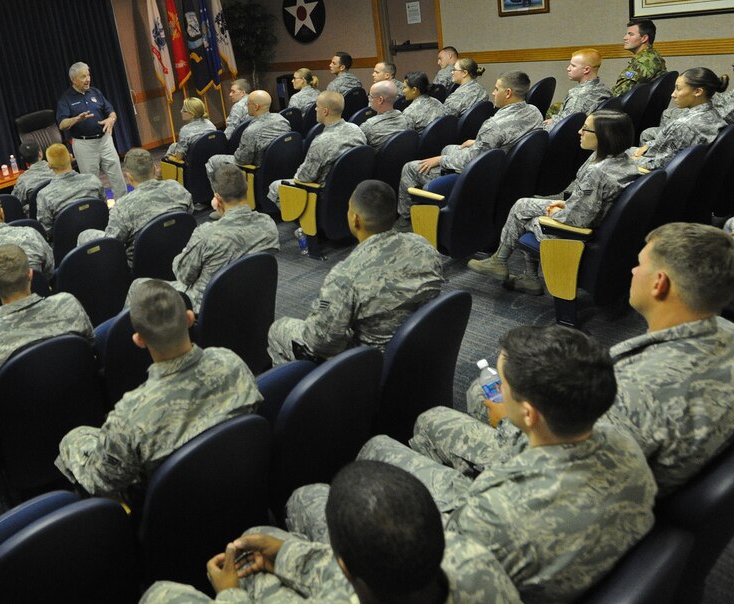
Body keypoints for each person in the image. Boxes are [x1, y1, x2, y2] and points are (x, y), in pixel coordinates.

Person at [286, 325, 657, 603]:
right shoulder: (624, 442)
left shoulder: (490, 516)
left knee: (327, 485)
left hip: (491, 539)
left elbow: (411, 575)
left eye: (504, 385)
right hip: (560, 524)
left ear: (529, 413)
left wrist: (291, 560)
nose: (498, 387)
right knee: (417, 427)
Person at [424, 223, 734, 497]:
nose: (633, 271)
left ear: (659, 283)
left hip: (572, 487)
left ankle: (476, 494)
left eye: (640, 265)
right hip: (645, 471)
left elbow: (566, 457)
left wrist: (506, 421)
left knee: (446, 412)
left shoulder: (636, 390)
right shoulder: (726, 334)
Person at [140, 461, 520, 603]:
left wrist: (229, 597)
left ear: (344, 567)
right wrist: (285, 556)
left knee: (160, 594)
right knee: (259, 537)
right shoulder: (475, 559)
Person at [55, 280, 261, 500]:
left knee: (74, 438)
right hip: (239, 491)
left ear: (139, 340)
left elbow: (102, 483)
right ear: (190, 319)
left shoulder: (129, 417)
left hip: (170, 514)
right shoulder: (231, 362)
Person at [268, 180, 443, 365]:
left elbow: (319, 343)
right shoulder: (424, 247)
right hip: (416, 352)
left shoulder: (345, 276)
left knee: (279, 329)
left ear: (355, 219)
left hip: (370, 365)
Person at [468, 109, 638, 295]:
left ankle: (507, 265)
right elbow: (597, 200)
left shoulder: (598, 172)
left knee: (524, 218)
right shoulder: (623, 160)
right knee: (524, 204)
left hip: (576, 234)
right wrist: (565, 205)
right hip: (594, 219)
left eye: (585, 129)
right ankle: (519, 272)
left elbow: (578, 220)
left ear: (605, 136)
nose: (579, 132)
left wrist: (556, 213)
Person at [397, 71, 543, 230]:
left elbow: (470, 160)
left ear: (508, 93)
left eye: (496, 89)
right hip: (512, 170)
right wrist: (478, 142)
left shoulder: (494, 125)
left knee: (410, 168)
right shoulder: (534, 112)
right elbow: (512, 138)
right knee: (448, 148)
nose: (493, 93)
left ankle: (405, 221)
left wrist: (440, 160)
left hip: (483, 177)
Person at [0, 244, 92, 403]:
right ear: (30, 274)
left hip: (21, 423)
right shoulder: (69, 305)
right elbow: (90, 346)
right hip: (82, 404)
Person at [145, 164, 278, 311]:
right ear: (246, 189)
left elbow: (183, 276)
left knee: (139, 286)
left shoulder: (206, 234)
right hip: (251, 300)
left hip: (205, 306)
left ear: (217, 199)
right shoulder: (268, 224)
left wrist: (185, 252)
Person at [77, 148, 192, 263]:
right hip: (181, 253)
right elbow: (189, 215)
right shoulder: (177, 188)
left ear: (129, 177)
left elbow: (112, 244)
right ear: (155, 169)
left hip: (142, 266)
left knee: (85, 235)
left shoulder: (122, 206)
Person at [267, 91, 365, 209]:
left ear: (325, 111)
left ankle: (305, 224)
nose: (315, 109)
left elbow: (304, 178)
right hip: (350, 188)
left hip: (321, 192)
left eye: (317, 106)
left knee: (274, 186)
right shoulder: (356, 129)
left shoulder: (321, 141)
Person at [628, 67, 728, 170]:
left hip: (657, 172)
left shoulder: (684, 125)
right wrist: (648, 146)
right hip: (686, 169)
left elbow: (658, 165)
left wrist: (631, 160)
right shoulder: (711, 113)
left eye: (678, 89)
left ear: (698, 91)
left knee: (614, 156)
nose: (673, 94)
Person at [56, 61, 128, 199]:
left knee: (117, 177)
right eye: (83, 76)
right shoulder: (66, 99)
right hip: (84, 145)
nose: (88, 79)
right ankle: (100, 211)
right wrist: (76, 119)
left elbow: (111, 112)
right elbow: (62, 124)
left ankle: (124, 206)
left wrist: (111, 120)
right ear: (73, 79)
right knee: (91, 182)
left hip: (104, 140)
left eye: (88, 75)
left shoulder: (95, 92)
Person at [205, 90, 290, 180]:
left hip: (257, 170)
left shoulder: (251, 131)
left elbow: (241, 160)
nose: (246, 106)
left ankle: (221, 193)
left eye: (248, 104)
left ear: (256, 107)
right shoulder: (282, 119)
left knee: (212, 161)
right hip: (280, 165)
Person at [35, 143, 105, 233]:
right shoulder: (93, 181)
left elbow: (46, 230)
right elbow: (103, 208)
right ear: (71, 158)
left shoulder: (45, 195)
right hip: (99, 236)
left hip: (68, 245)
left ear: (49, 166)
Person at [544, 48, 613, 129]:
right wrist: (554, 120)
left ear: (586, 70)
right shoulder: (604, 90)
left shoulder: (578, 96)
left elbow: (565, 127)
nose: (568, 68)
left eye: (573, 66)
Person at [612, 19, 667, 96]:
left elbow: (618, 94)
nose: (625, 38)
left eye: (630, 34)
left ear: (644, 38)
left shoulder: (643, 63)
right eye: (626, 34)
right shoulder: (653, 56)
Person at [360, 81, 408, 151]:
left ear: (380, 100)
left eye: (371, 96)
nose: (368, 98)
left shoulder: (369, 126)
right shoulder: (405, 118)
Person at [12, 142, 55, 214]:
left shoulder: (23, 181)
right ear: (40, 153)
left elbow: (15, 203)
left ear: (23, 159)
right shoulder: (57, 168)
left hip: (38, 218)